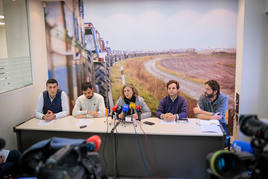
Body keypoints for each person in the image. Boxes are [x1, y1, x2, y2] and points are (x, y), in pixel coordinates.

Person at [193, 80, 230, 146]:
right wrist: (212, 117)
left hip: (220, 124)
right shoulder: (203, 97)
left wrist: (201, 112)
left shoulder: (224, 98)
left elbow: (219, 116)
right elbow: (197, 115)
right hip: (204, 123)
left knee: (224, 143)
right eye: (205, 89)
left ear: (215, 91)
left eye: (208, 89)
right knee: (201, 142)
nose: (205, 91)